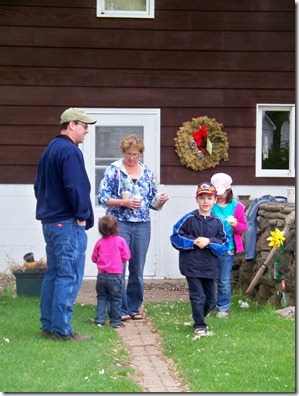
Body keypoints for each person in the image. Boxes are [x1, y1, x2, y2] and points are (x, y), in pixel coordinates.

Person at [34, 107, 96, 341]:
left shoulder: (50, 150)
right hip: (67, 223)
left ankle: (48, 326)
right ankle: (61, 329)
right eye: (84, 125)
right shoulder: (70, 151)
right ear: (71, 125)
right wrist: (81, 215)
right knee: (68, 275)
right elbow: (75, 186)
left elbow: (37, 187)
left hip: (50, 222)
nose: (86, 131)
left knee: (54, 273)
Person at [98, 134, 169, 321]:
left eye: (136, 154)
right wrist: (125, 202)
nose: (132, 158)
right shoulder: (114, 170)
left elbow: (153, 204)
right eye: (129, 154)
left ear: (141, 154)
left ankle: (134, 306)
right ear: (123, 152)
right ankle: (119, 307)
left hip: (142, 224)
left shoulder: (147, 173)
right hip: (119, 224)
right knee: (118, 267)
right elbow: (102, 198)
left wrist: (161, 201)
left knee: (137, 267)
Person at [170, 182, 228, 337]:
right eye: (202, 198)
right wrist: (193, 242)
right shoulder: (189, 219)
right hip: (192, 266)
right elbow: (176, 237)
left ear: (215, 200)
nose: (205, 201)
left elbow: (224, 243)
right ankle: (199, 325)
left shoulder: (218, 222)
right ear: (197, 199)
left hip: (210, 267)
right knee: (198, 296)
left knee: (210, 301)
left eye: (209, 198)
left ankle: (198, 315)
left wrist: (209, 242)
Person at [210, 172, 248, 318]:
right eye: (216, 192)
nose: (218, 196)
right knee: (210, 277)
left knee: (224, 279)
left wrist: (236, 225)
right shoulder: (210, 204)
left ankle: (223, 307)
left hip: (228, 248)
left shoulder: (237, 207)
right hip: (211, 247)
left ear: (229, 191)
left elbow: (243, 227)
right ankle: (209, 304)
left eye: (221, 193)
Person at [92, 215, 131, 328]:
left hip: (102, 276)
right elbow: (126, 256)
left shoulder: (99, 242)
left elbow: (94, 258)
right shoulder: (120, 241)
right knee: (116, 299)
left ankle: (100, 319)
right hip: (115, 276)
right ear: (116, 228)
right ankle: (115, 321)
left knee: (102, 297)